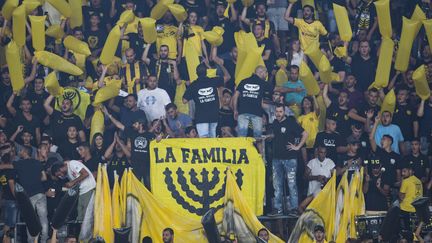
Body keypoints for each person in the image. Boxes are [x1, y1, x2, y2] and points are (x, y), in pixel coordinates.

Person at [269, 104, 308, 216]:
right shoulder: (275, 123)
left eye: (280, 111)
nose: (278, 114)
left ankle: (294, 208)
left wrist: (298, 147)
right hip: (276, 159)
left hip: (290, 159)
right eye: (276, 111)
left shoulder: (291, 123)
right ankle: (278, 209)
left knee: (292, 184)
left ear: (284, 112)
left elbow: (305, 134)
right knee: (277, 185)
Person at [13, 146, 49, 243]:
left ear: (25, 152)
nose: (19, 152)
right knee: (43, 218)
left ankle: (32, 241)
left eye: (20, 150)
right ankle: (44, 240)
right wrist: (35, 180)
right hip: (41, 193)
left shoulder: (18, 164)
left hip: (29, 196)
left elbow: (6, 167)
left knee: (31, 220)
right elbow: (45, 178)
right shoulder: (37, 162)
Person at [183, 63, 224, 138]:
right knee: (213, 140)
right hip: (214, 116)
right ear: (206, 72)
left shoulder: (193, 85)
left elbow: (184, 100)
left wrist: (195, 94)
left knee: (204, 141)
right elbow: (227, 77)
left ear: (196, 73)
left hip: (201, 118)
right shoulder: (213, 81)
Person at [234, 65, 273, 138]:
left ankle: (243, 149)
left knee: (241, 137)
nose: (266, 76)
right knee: (258, 138)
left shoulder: (244, 81)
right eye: (266, 73)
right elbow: (278, 89)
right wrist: (294, 89)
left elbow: (235, 96)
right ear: (261, 73)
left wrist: (235, 110)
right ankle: (258, 150)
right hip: (257, 113)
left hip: (243, 112)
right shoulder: (262, 83)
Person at [299, 146, 335, 212]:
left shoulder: (330, 162)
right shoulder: (312, 162)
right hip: (312, 193)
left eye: (324, 153)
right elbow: (304, 177)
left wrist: (326, 180)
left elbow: (334, 178)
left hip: (326, 194)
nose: (323, 155)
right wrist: (316, 177)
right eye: (321, 152)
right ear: (317, 153)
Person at [399, 162, 423, 232]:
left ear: (410, 171)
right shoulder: (419, 181)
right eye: (402, 172)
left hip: (406, 209)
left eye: (404, 171)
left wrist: (401, 182)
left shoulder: (406, 181)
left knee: (406, 231)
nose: (402, 174)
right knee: (415, 230)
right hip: (417, 209)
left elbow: (401, 197)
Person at [0, 153, 17, 243]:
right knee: (10, 225)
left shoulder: (2, 173)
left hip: (5, 200)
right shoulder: (11, 171)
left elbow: (2, 188)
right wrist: (17, 198)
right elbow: (11, 185)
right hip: (12, 201)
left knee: (7, 224)